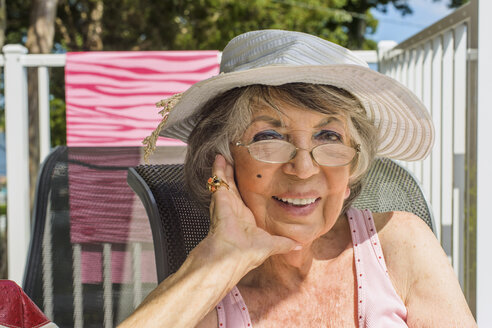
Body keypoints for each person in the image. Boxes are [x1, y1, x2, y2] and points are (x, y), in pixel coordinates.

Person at [120, 30, 476, 327]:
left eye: (329, 137)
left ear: (352, 166)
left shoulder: (399, 243)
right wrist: (222, 257)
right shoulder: (207, 302)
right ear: (223, 164)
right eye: (269, 138)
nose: (304, 169)